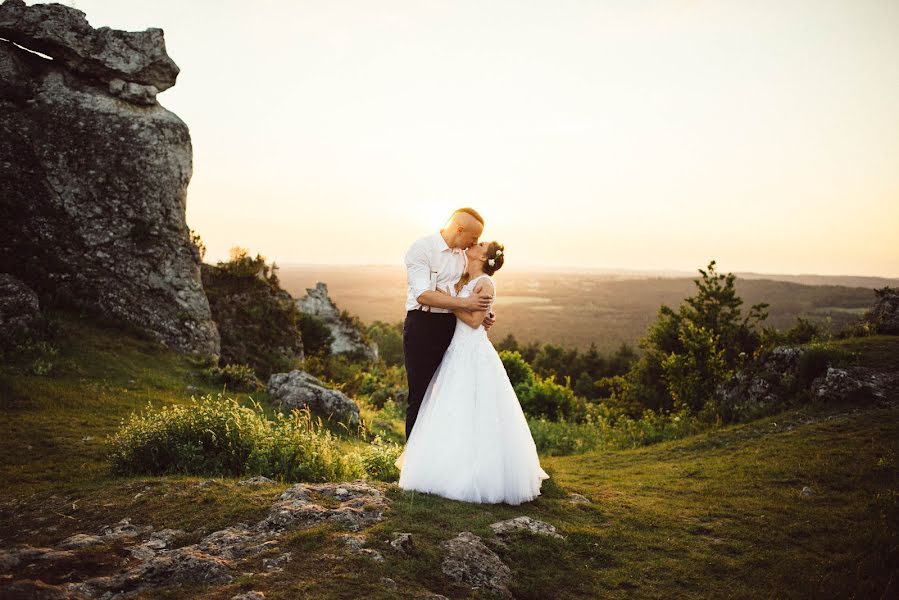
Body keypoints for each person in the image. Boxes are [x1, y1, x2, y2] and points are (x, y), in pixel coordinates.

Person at [395, 240, 551, 505]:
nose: (474, 244)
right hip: (456, 349)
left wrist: (454, 303)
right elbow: (472, 308)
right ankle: (447, 464)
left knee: (478, 409)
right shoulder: (465, 279)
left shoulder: (485, 283)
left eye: (480, 244)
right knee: (453, 408)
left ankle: (480, 473)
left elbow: (476, 320)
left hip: (473, 352)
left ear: (483, 256)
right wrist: (460, 300)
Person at [402, 207, 494, 439]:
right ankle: (414, 465)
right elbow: (423, 293)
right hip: (422, 326)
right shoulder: (422, 249)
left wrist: (485, 312)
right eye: (473, 238)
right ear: (459, 229)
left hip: (453, 328)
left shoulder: (464, 256)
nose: (473, 244)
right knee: (420, 396)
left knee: (449, 395)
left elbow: (471, 289)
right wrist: (468, 305)